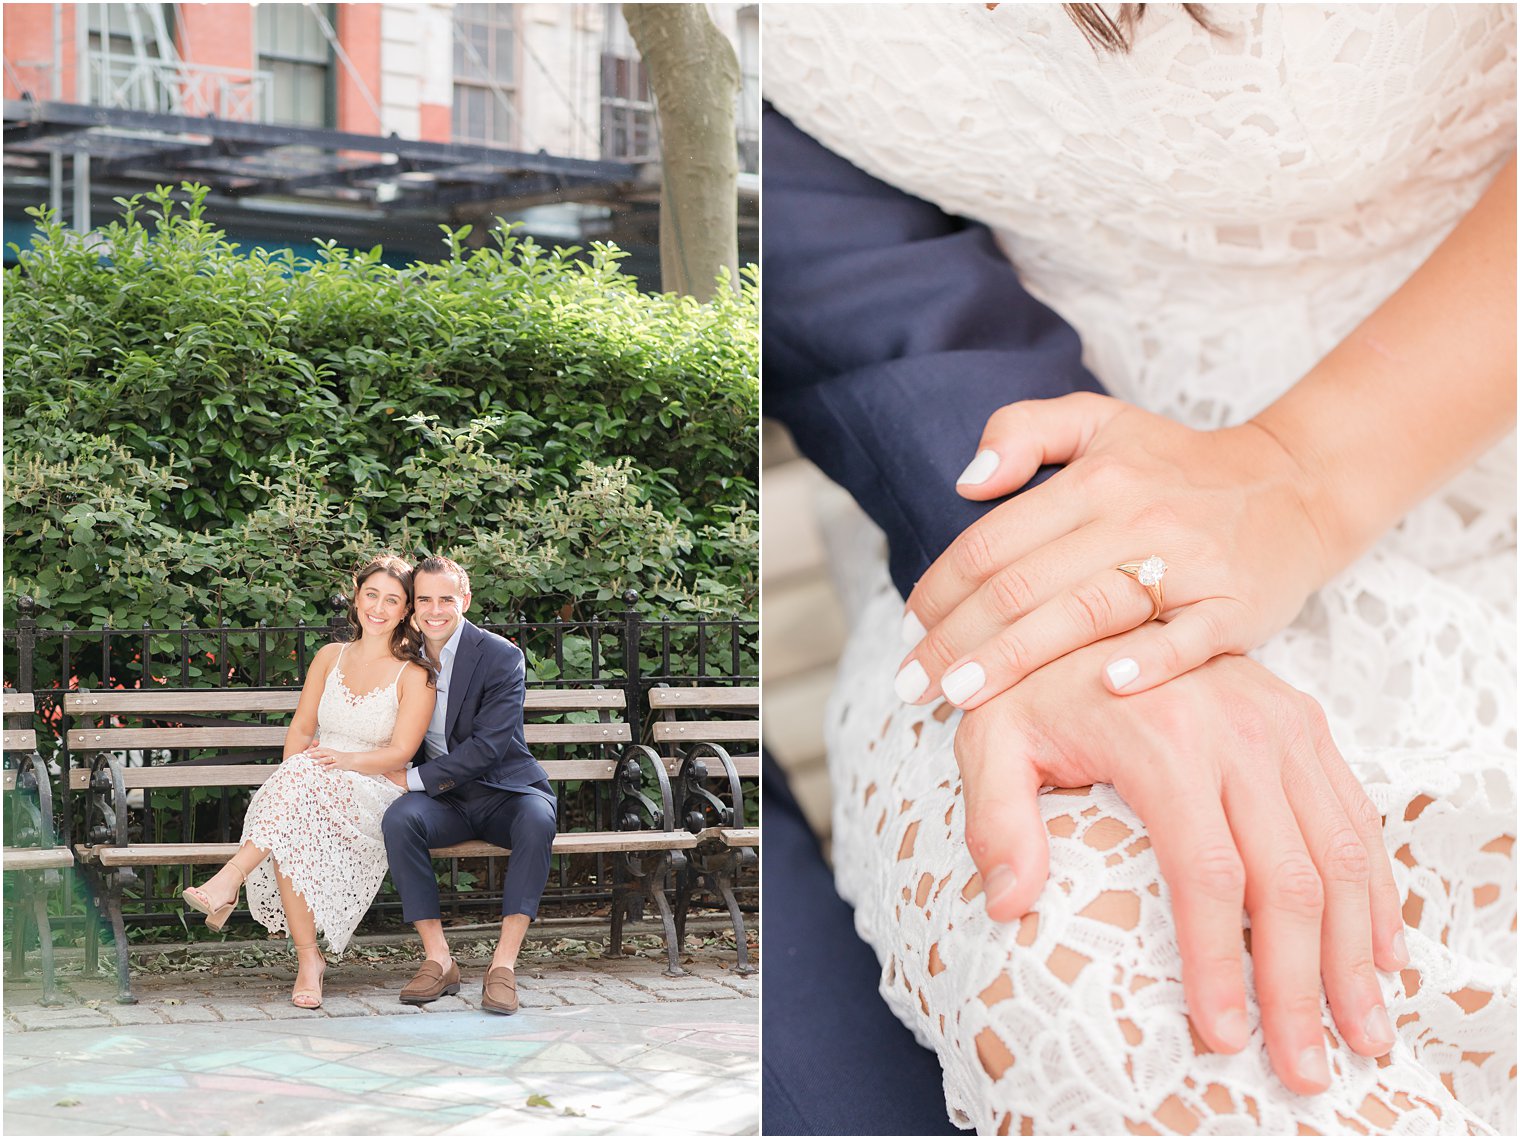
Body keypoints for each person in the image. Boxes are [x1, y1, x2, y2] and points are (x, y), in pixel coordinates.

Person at [764, 4, 1515, 1134]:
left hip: (1463, 408)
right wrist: (1087, 591)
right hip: (1039, 492)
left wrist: (1296, 475)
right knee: (1098, 963)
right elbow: (832, 258)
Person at [182, 554, 436, 1009]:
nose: (378, 607)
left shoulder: (414, 674)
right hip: (314, 777)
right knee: (293, 821)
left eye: (392, 600)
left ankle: (231, 881)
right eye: (371, 595)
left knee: (295, 804)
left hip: (374, 786)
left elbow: (400, 753)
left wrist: (337, 762)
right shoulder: (329, 657)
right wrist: (298, 776)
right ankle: (308, 961)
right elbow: (300, 731)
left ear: (406, 611)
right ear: (356, 599)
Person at [379, 555, 558, 1015]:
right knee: (400, 819)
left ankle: (503, 966)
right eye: (424, 600)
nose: (434, 610)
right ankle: (439, 960)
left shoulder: (500, 655)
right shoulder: (401, 655)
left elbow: (489, 747)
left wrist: (412, 778)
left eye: (446, 599)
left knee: (537, 820)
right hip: (447, 801)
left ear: (465, 600)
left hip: (505, 791)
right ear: (413, 605)